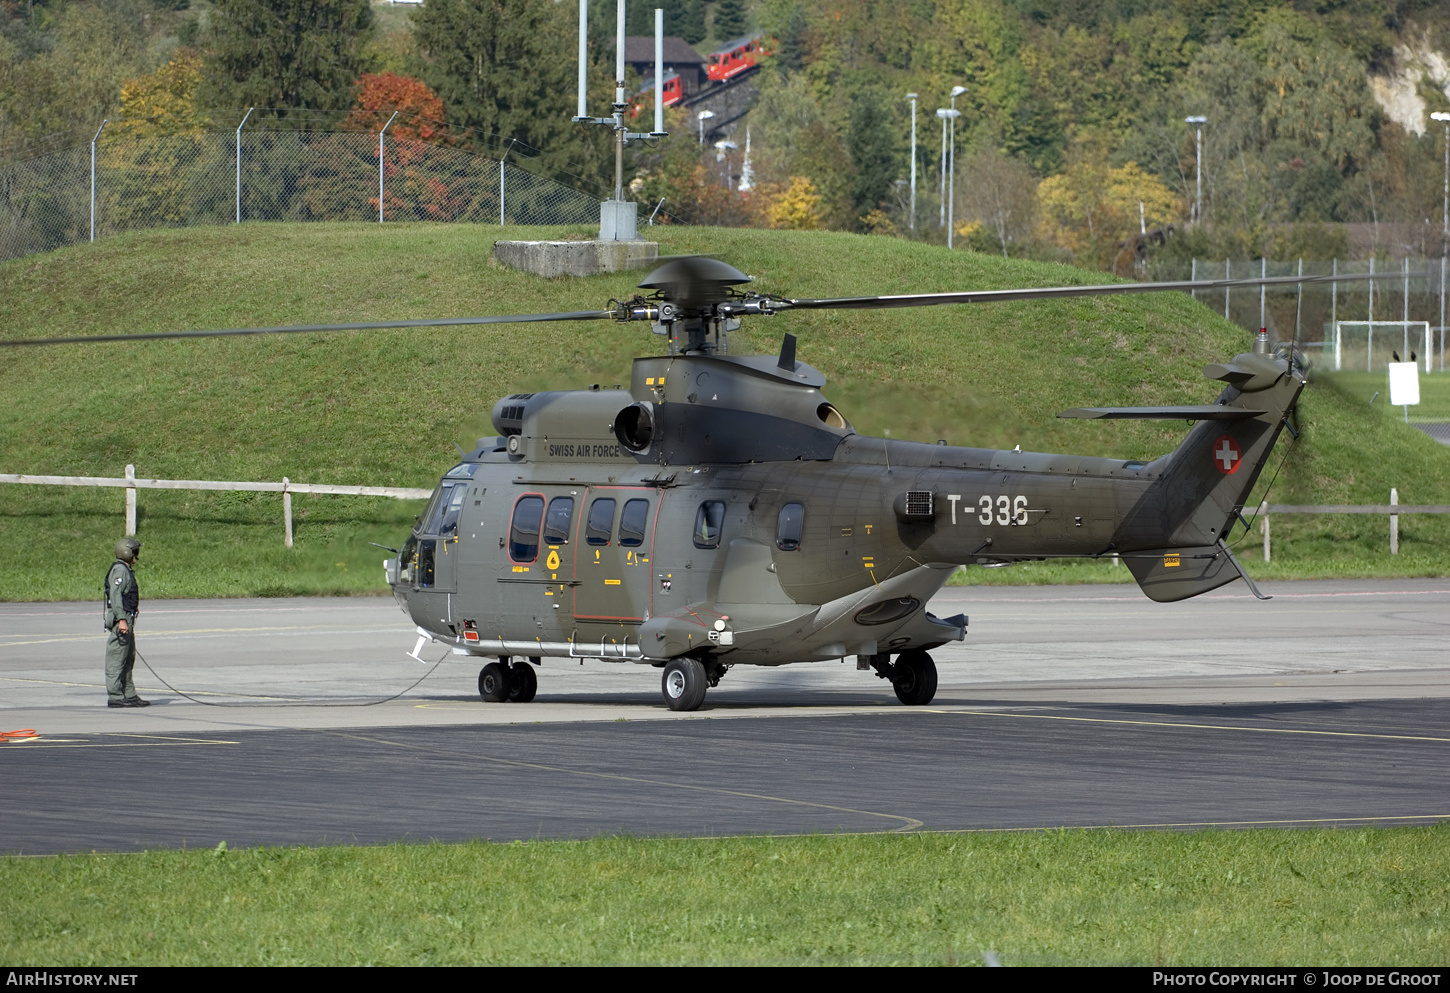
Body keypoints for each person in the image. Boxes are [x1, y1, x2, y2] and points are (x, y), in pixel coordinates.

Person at [104, 537, 149, 708]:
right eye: (135, 552)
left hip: (128, 618)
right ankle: (116, 695)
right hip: (122, 620)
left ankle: (129, 693)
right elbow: (115, 596)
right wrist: (121, 619)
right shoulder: (120, 571)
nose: (136, 555)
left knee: (128, 658)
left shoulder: (125, 569)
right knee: (116, 658)